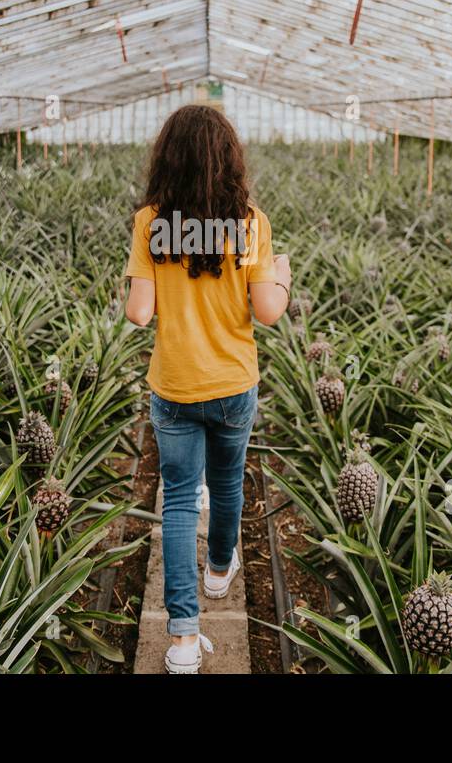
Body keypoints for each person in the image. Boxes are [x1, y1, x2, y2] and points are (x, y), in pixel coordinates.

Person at [123, 104, 292, 673]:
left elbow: (138, 314)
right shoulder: (250, 223)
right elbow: (268, 312)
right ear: (229, 161)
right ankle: (220, 570)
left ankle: (183, 641)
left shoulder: (151, 223)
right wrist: (283, 281)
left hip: (173, 386)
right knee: (225, 488)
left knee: (176, 503)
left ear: (167, 159)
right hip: (232, 385)